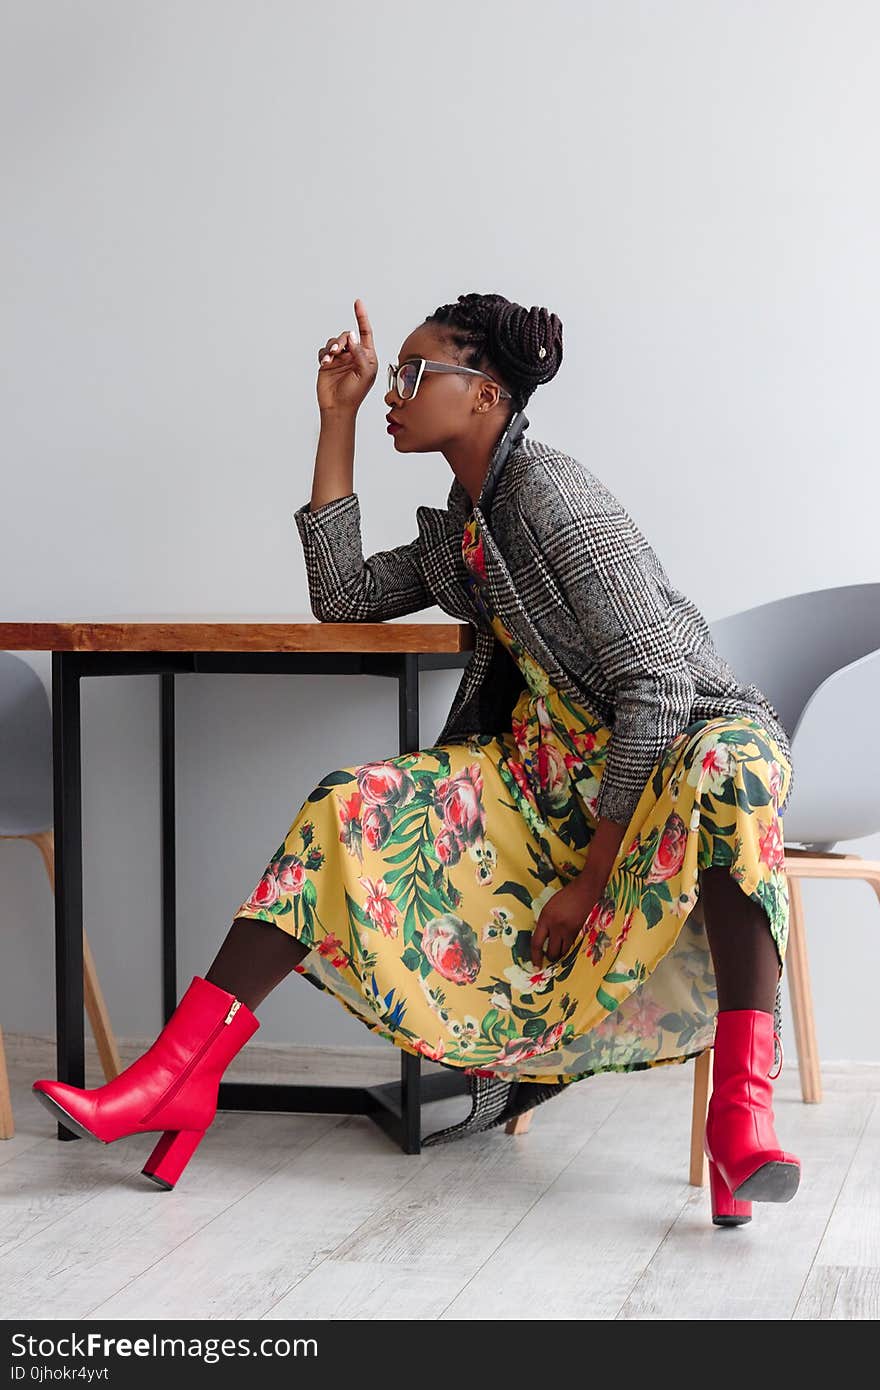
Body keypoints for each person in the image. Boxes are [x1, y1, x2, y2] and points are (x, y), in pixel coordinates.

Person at [33, 293, 801, 1226]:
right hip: (551, 784)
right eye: (389, 377)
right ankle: (175, 1079)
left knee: (732, 773)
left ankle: (742, 1119)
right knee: (347, 807)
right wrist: (337, 415)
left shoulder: (554, 496)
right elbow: (342, 593)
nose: (395, 390)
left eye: (410, 373)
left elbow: (657, 686)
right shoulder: (468, 530)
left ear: (483, 394)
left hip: (679, 755)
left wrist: (596, 877)